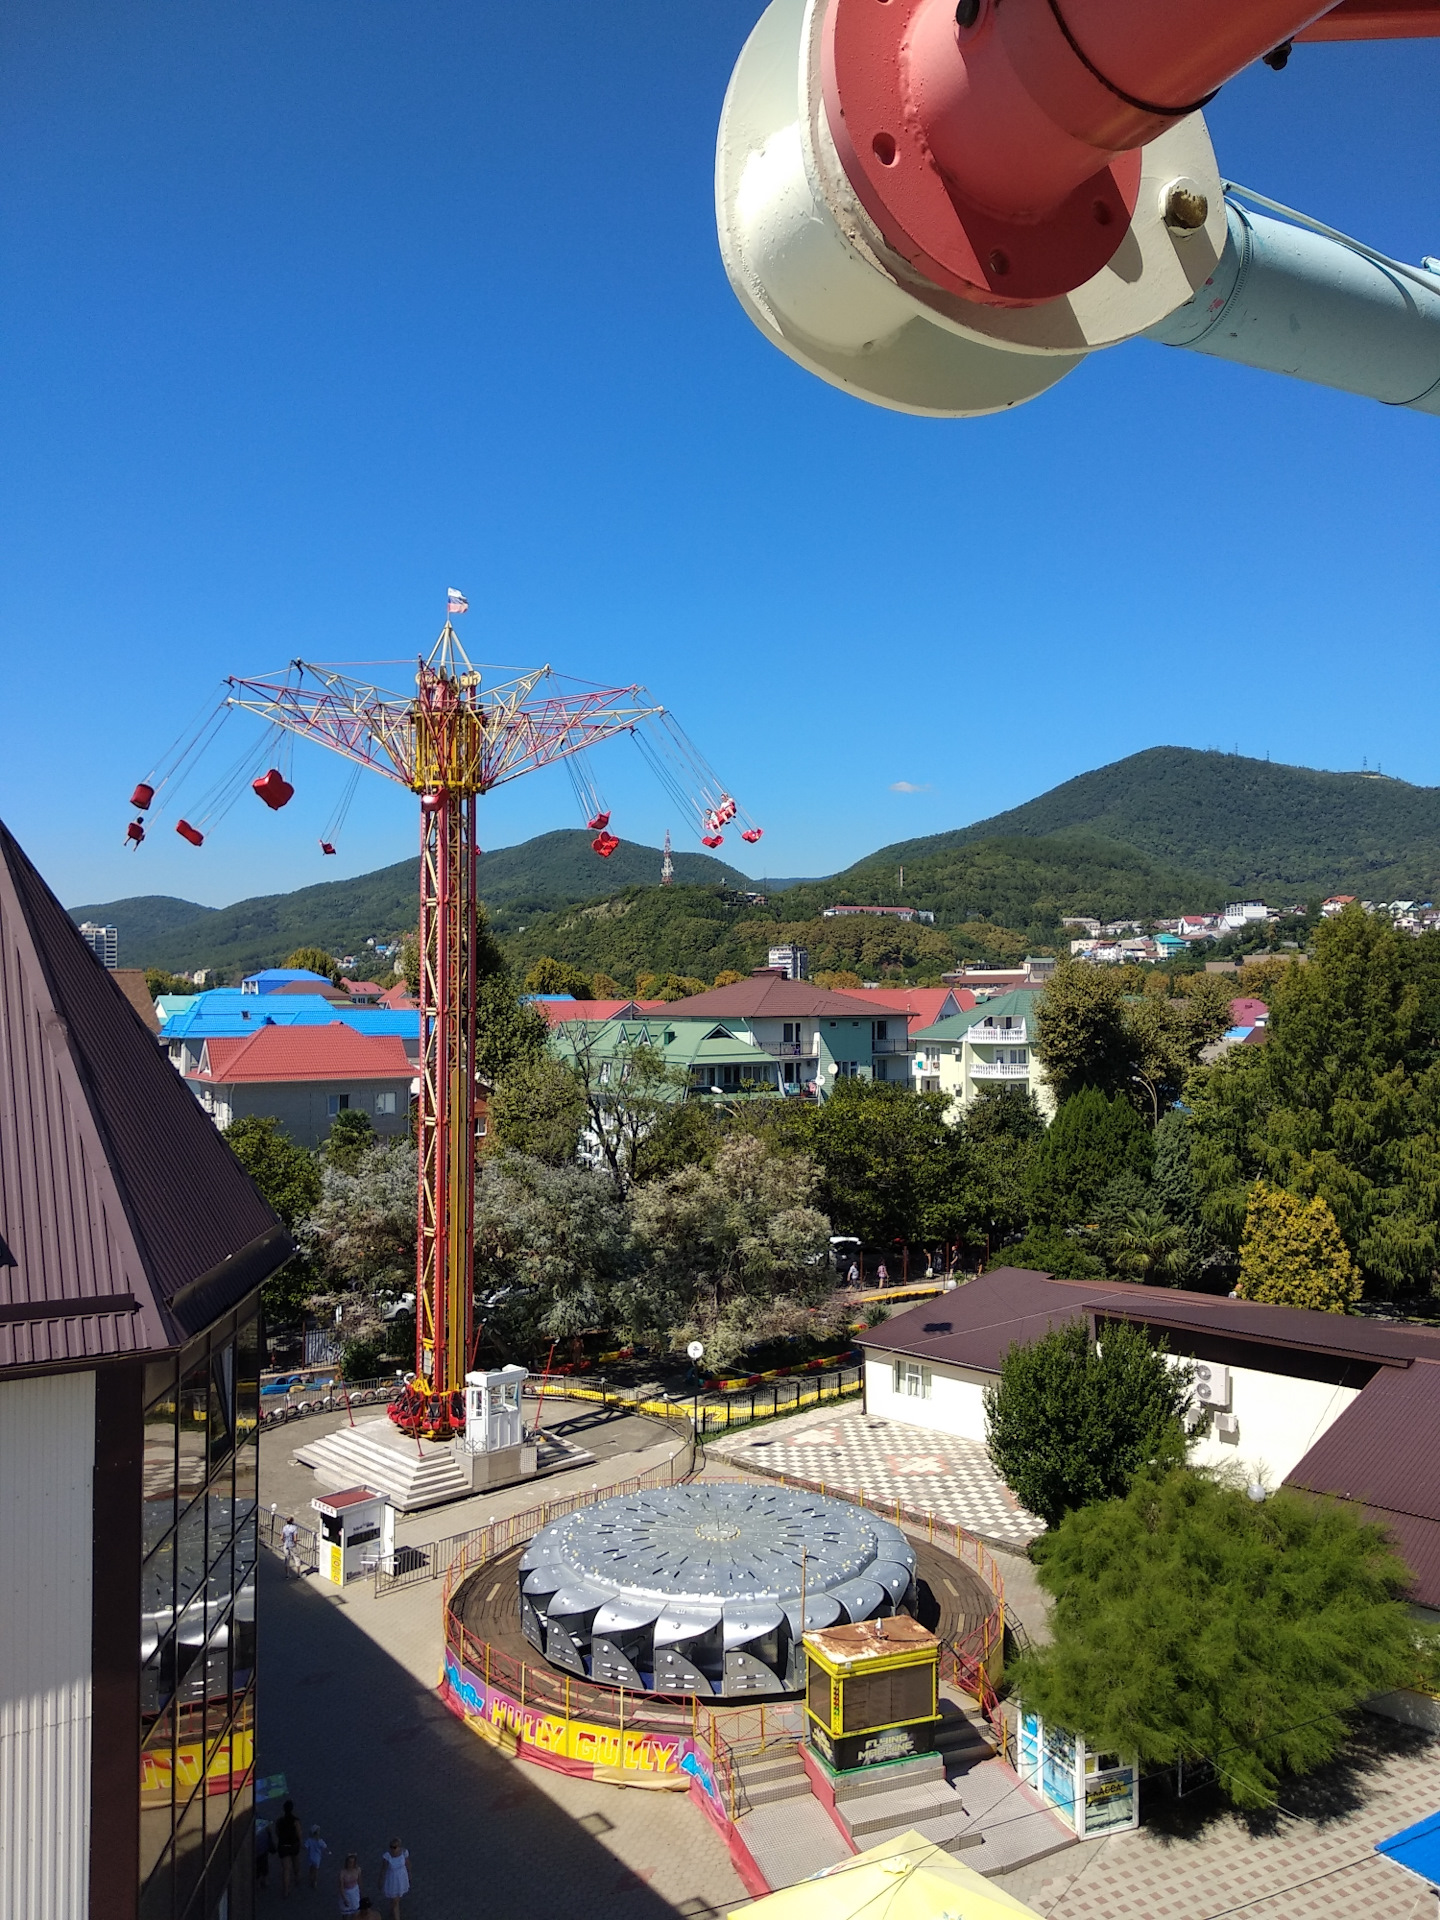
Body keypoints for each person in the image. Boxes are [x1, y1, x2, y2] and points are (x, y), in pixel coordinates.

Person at [274, 1799, 302, 1896]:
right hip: (294, 1845)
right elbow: (299, 1833)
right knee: (295, 1861)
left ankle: (286, 1890)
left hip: (283, 1845)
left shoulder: (279, 1821)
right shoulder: (295, 1821)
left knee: (286, 1869)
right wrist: (300, 1843)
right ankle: (297, 1877)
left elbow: (277, 1832)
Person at [380, 1839, 410, 1917]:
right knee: (395, 1900)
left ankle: (392, 1909)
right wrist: (380, 1880)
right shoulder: (387, 1856)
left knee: (397, 1897)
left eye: (394, 1847)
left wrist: (409, 1874)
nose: (392, 1849)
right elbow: (383, 1869)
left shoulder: (404, 1853)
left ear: (399, 1847)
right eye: (391, 1847)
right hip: (392, 1879)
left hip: (402, 1877)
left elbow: (407, 1863)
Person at [304, 1824, 330, 1890]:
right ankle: (314, 1882)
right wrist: (328, 1852)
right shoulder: (320, 1841)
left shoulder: (309, 1840)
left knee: (311, 1868)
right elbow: (325, 1848)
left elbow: (305, 1847)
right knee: (316, 1870)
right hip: (317, 1858)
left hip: (310, 1856)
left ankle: (310, 1877)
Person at [255, 1815, 275, 1892]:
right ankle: (265, 1880)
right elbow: (268, 1828)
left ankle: (258, 1883)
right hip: (263, 1846)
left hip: (256, 1849)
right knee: (264, 1863)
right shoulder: (260, 1818)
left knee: (257, 1865)